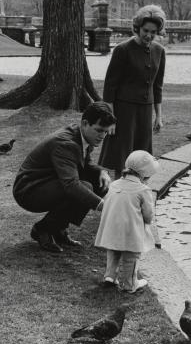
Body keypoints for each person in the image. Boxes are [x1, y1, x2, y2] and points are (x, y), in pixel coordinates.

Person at [13, 101, 116, 253]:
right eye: (99, 130)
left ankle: (58, 228)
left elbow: (84, 164)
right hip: (29, 190)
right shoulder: (66, 143)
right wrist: (103, 206)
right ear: (85, 123)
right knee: (83, 188)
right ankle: (42, 230)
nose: (102, 136)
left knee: (97, 182)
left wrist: (102, 171)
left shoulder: (81, 133)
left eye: (106, 132)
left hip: (48, 181)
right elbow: (71, 185)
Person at [99, 4, 166, 178]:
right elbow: (109, 87)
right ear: (137, 28)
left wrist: (158, 116)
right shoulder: (123, 50)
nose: (149, 35)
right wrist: (111, 120)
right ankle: (118, 193)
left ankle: (138, 192)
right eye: (146, 30)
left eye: (153, 32)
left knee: (142, 158)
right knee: (121, 156)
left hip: (145, 110)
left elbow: (157, 86)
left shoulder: (159, 51)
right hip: (124, 111)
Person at [95, 150, 160, 293]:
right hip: (131, 230)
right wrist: (148, 222)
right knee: (132, 256)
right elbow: (148, 215)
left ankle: (110, 276)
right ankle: (130, 284)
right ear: (144, 174)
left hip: (112, 227)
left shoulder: (115, 184)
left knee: (113, 251)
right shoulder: (143, 190)